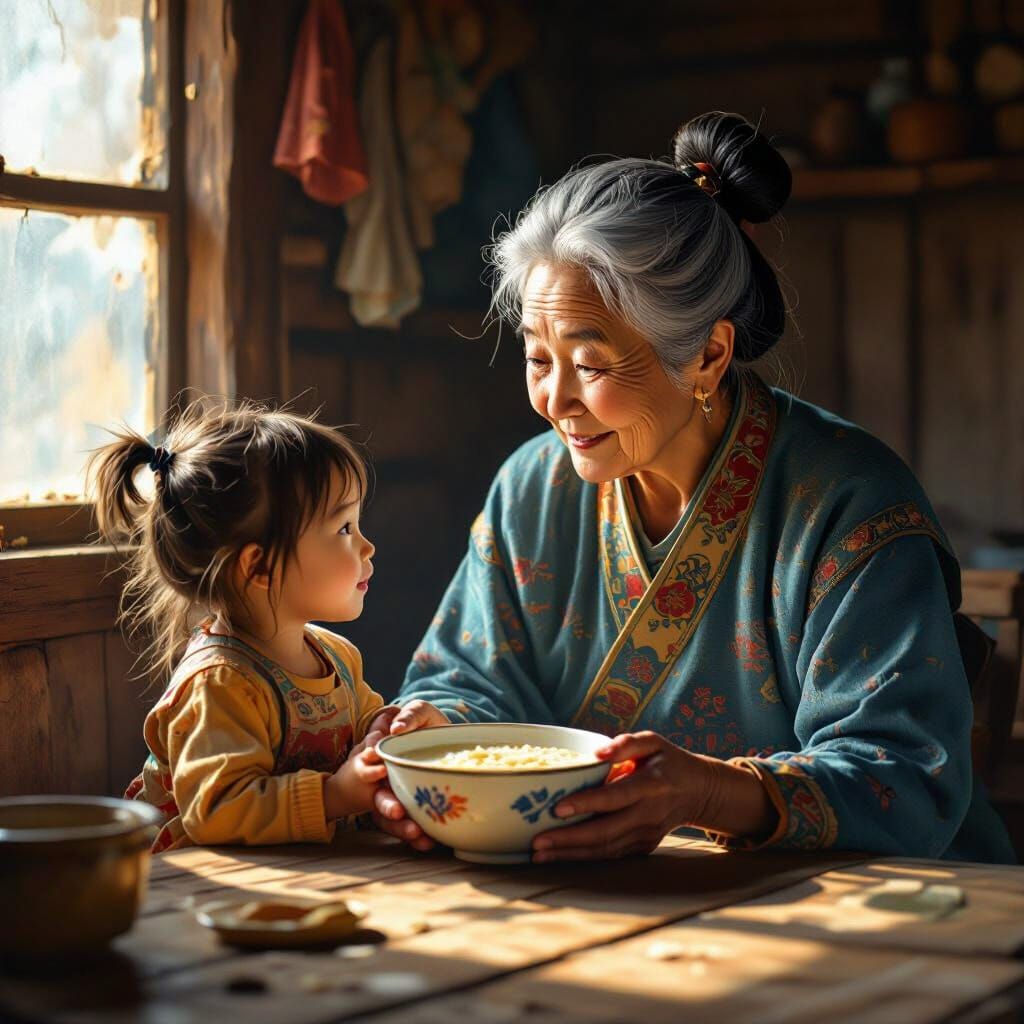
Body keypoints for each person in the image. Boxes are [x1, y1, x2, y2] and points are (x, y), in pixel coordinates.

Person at [375, 111, 1016, 864]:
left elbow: (903, 775)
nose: (555, 400)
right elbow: (467, 680)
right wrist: (428, 732)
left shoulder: (847, 504)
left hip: (878, 914)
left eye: (590, 364)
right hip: (596, 896)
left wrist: (706, 792)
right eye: (537, 358)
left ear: (710, 355)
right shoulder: (531, 488)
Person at [91, 399, 446, 852]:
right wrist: (334, 795)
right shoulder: (219, 684)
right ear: (258, 567)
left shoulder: (336, 656)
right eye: (344, 529)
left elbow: (357, 737)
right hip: (207, 892)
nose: (367, 546)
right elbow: (217, 810)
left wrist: (394, 730)